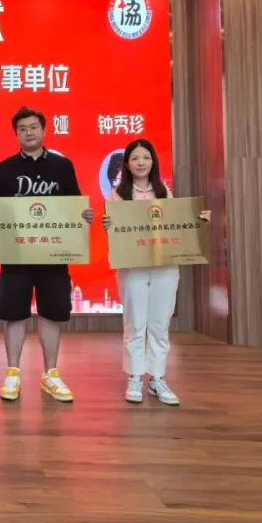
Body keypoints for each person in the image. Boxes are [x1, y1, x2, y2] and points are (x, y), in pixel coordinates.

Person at [0, 107, 94, 402]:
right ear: (15, 134)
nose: (28, 132)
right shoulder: (4, 169)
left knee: (51, 313)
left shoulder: (63, 166)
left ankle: (50, 375)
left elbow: (74, 206)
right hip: (16, 254)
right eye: (22, 128)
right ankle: (12, 373)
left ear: (44, 130)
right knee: (14, 314)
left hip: (53, 253)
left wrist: (84, 214)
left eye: (33, 127)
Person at [101, 138, 210, 406]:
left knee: (160, 324)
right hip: (133, 268)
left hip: (165, 267)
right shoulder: (118, 196)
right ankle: (135, 376)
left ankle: (157, 378)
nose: (141, 163)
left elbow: (177, 225)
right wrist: (108, 226)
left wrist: (197, 221)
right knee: (135, 323)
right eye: (135, 158)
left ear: (153, 162)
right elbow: (116, 234)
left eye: (146, 158)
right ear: (127, 164)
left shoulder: (164, 193)